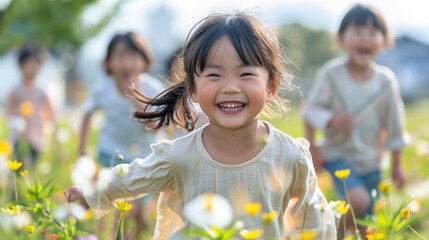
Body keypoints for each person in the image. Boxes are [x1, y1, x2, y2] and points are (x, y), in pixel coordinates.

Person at [68, 12, 335, 240]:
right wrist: (91, 192)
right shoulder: (180, 154)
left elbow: (316, 214)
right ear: (193, 89)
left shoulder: (289, 155)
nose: (230, 87)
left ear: (271, 87)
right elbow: (135, 176)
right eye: (214, 75)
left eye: (245, 74)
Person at [302, 3, 409, 238]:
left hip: (372, 161)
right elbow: (309, 112)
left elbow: (395, 126)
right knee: (357, 201)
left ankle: (339, 233)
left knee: (366, 227)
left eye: (373, 32)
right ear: (341, 38)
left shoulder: (386, 82)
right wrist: (330, 121)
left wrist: (397, 164)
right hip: (338, 155)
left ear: (384, 41)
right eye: (358, 31)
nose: (365, 38)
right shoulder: (331, 75)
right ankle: (330, 234)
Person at [79, 32, 163, 238]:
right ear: (108, 62)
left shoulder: (152, 88)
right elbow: (87, 114)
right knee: (112, 205)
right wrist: (82, 149)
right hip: (109, 153)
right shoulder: (103, 89)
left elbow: (155, 124)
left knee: (134, 208)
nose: (127, 62)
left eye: (133, 56)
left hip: (143, 157)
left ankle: (140, 222)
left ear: (144, 61)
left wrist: (136, 95)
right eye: (120, 56)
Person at [6, 47, 54, 165]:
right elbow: (9, 109)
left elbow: (51, 111)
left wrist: (45, 125)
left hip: (36, 136)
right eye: (29, 63)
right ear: (21, 66)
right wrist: (14, 121)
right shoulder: (16, 89)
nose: (33, 67)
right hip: (18, 135)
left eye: (36, 64)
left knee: (30, 166)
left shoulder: (42, 90)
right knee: (18, 166)